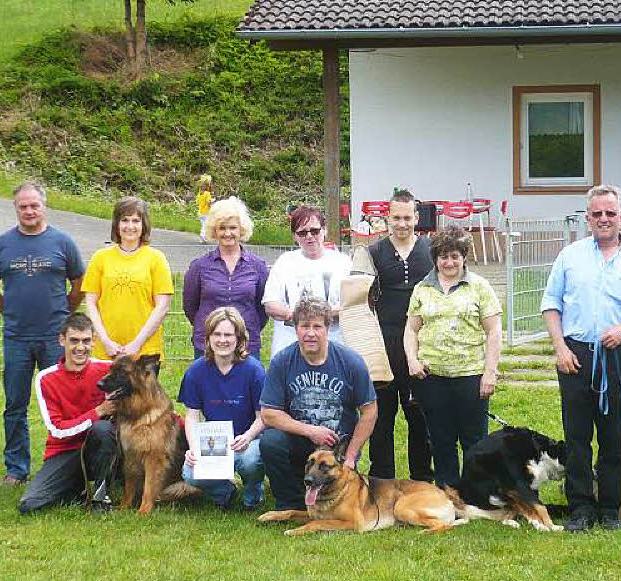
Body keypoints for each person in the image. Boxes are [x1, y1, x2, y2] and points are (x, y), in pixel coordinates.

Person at [540, 184, 621, 532]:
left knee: (612, 437)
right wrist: (560, 348)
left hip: (616, 355)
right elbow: (551, 304)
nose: (604, 219)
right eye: (597, 214)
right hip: (574, 355)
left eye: (610, 213)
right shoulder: (570, 256)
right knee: (577, 437)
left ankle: (610, 508)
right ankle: (580, 507)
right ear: (588, 218)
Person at [0, 181, 85, 486]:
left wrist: (64, 314)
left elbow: (79, 283)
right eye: (23, 206)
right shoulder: (2, 245)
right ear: (16, 208)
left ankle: (65, 464)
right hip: (16, 338)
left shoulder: (62, 242)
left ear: (44, 206)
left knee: (64, 403)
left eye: (34, 205)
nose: (29, 211)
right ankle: (16, 468)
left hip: (55, 338)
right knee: (15, 405)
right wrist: (10, 311)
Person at [404, 225, 501, 488]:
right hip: (432, 378)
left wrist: (489, 373)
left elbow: (493, 332)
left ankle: (477, 493)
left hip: (471, 376)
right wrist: (412, 361)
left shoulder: (479, 287)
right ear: (435, 258)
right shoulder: (422, 289)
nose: (449, 262)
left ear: (464, 257)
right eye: (443, 256)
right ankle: (447, 493)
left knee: (475, 440)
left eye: (455, 256)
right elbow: (411, 330)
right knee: (441, 439)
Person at [259, 299, 377, 511]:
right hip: (299, 440)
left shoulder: (351, 362)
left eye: (317, 326)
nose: (310, 333)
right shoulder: (282, 361)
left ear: (327, 328)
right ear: (295, 329)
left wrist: (350, 456)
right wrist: (310, 431)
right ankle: (290, 503)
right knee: (270, 441)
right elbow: (269, 414)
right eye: (304, 326)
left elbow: (369, 411)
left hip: (336, 447)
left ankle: (330, 493)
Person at [18, 313, 117, 513]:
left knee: (104, 429)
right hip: (64, 451)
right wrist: (98, 411)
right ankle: (75, 486)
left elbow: (144, 399)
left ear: (94, 341)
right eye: (74, 341)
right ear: (62, 340)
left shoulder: (108, 370)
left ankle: (100, 497)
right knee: (30, 505)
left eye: (86, 341)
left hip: (100, 447)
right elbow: (57, 430)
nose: (80, 348)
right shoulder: (46, 379)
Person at [366, 189, 434, 482]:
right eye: (396, 217)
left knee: (419, 416)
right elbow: (361, 300)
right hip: (383, 345)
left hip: (421, 346)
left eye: (408, 217)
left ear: (417, 218)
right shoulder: (373, 253)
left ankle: (421, 479)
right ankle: (382, 480)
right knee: (381, 417)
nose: (402, 223)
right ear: (387, 218)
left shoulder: (432, 252)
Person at [179, 307, 266, 509]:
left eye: (228, 334)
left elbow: (263, 417)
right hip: (214, 441)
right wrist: (193, 449)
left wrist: (248, 436)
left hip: (248, 439)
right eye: (216, 334)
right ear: (208, 338)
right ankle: (224, 492)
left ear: (239, 339)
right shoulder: (196, 371)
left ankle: (253, 491)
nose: (222, 340)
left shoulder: (254, 370)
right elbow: (191, 416)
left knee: (252, 460)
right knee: (190, 473)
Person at [82, 196, 173, 361]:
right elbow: (90, 302)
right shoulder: (100, 258)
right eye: (124, 220)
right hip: (107, 351)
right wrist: (105, 340)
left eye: (136, 221)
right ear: (116, 224)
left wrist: (136, 344)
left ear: (144, 225)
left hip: (145, 352)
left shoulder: (157, 259)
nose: (130, 226)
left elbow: (162, 307)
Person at [183, 196, 269, 360]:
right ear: (214, 230)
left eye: (232, 228)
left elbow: (262, 309)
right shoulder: (199, 267)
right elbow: (190, 307)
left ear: (241, 230)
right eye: (222, 228)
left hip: (247, 345)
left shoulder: (258, 267)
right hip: (207, 346)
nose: (227, 233)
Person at [263, 205, 351, 357]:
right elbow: (270, 305)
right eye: (302, 233)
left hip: (333, 347)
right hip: (290, 346)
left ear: (325, 230)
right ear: (295, 236)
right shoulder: (284, 262)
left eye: (315, 231)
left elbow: (351, 306)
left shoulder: (343, 263)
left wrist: (320, 316)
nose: (309, 236)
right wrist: (294, 315)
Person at [196, 174, 213, 242]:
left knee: (203, 224)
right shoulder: (207, 194)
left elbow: (197, 202)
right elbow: (208, 202)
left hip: (200, 212)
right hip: (206, 212)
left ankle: (203, 238)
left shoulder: (199, 194)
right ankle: (203, 235)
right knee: (206, 225)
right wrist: (211, 205)